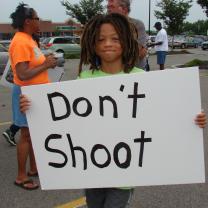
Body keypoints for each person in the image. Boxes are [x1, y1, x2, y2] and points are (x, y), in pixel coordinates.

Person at [20, 13, 206, 207]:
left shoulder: (141, 78)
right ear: (93, 44)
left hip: (124, 175)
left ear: (126, 42)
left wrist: (193, 119)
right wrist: (33, 107)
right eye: (101, 39)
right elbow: (65, 118)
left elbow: (163, 115)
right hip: (91, 171)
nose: (107, 43)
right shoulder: (84, 79)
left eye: (115, 38)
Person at [9, 3, 57, 190]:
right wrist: (46, 65)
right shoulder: (21, 41)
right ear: (28, 21)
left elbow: (32, 65)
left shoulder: (28, 39)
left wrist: (46, 61)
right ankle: (21, 176)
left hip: (35, 93)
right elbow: (22, 74)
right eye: (37, 18)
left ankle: (34, 168)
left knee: (33, 133)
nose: (40, 21)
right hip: (25, 93)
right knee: (26, 134)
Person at [107, 0, 148, 70]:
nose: (108, 10)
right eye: (108, 7)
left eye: (112, 7)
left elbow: (141, 52)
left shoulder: (137, 24)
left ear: (124, 9)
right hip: (113, 71)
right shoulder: (106, 26)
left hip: (135, 71)